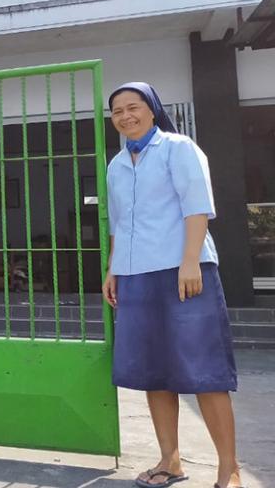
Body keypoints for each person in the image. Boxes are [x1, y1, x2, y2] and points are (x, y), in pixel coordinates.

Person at [102, 82, 242, 488]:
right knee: (153, 371)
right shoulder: (116, 165)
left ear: (152, 109)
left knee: (204, 370)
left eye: (134, 107)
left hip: (184, 270)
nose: (126, 116)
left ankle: (228, 467)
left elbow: (197, 206)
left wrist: (190, 262)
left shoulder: (179, 148)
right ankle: (170, 460)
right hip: (135, 274)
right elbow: (119, 225)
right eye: (117, 112)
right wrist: (114, 270)